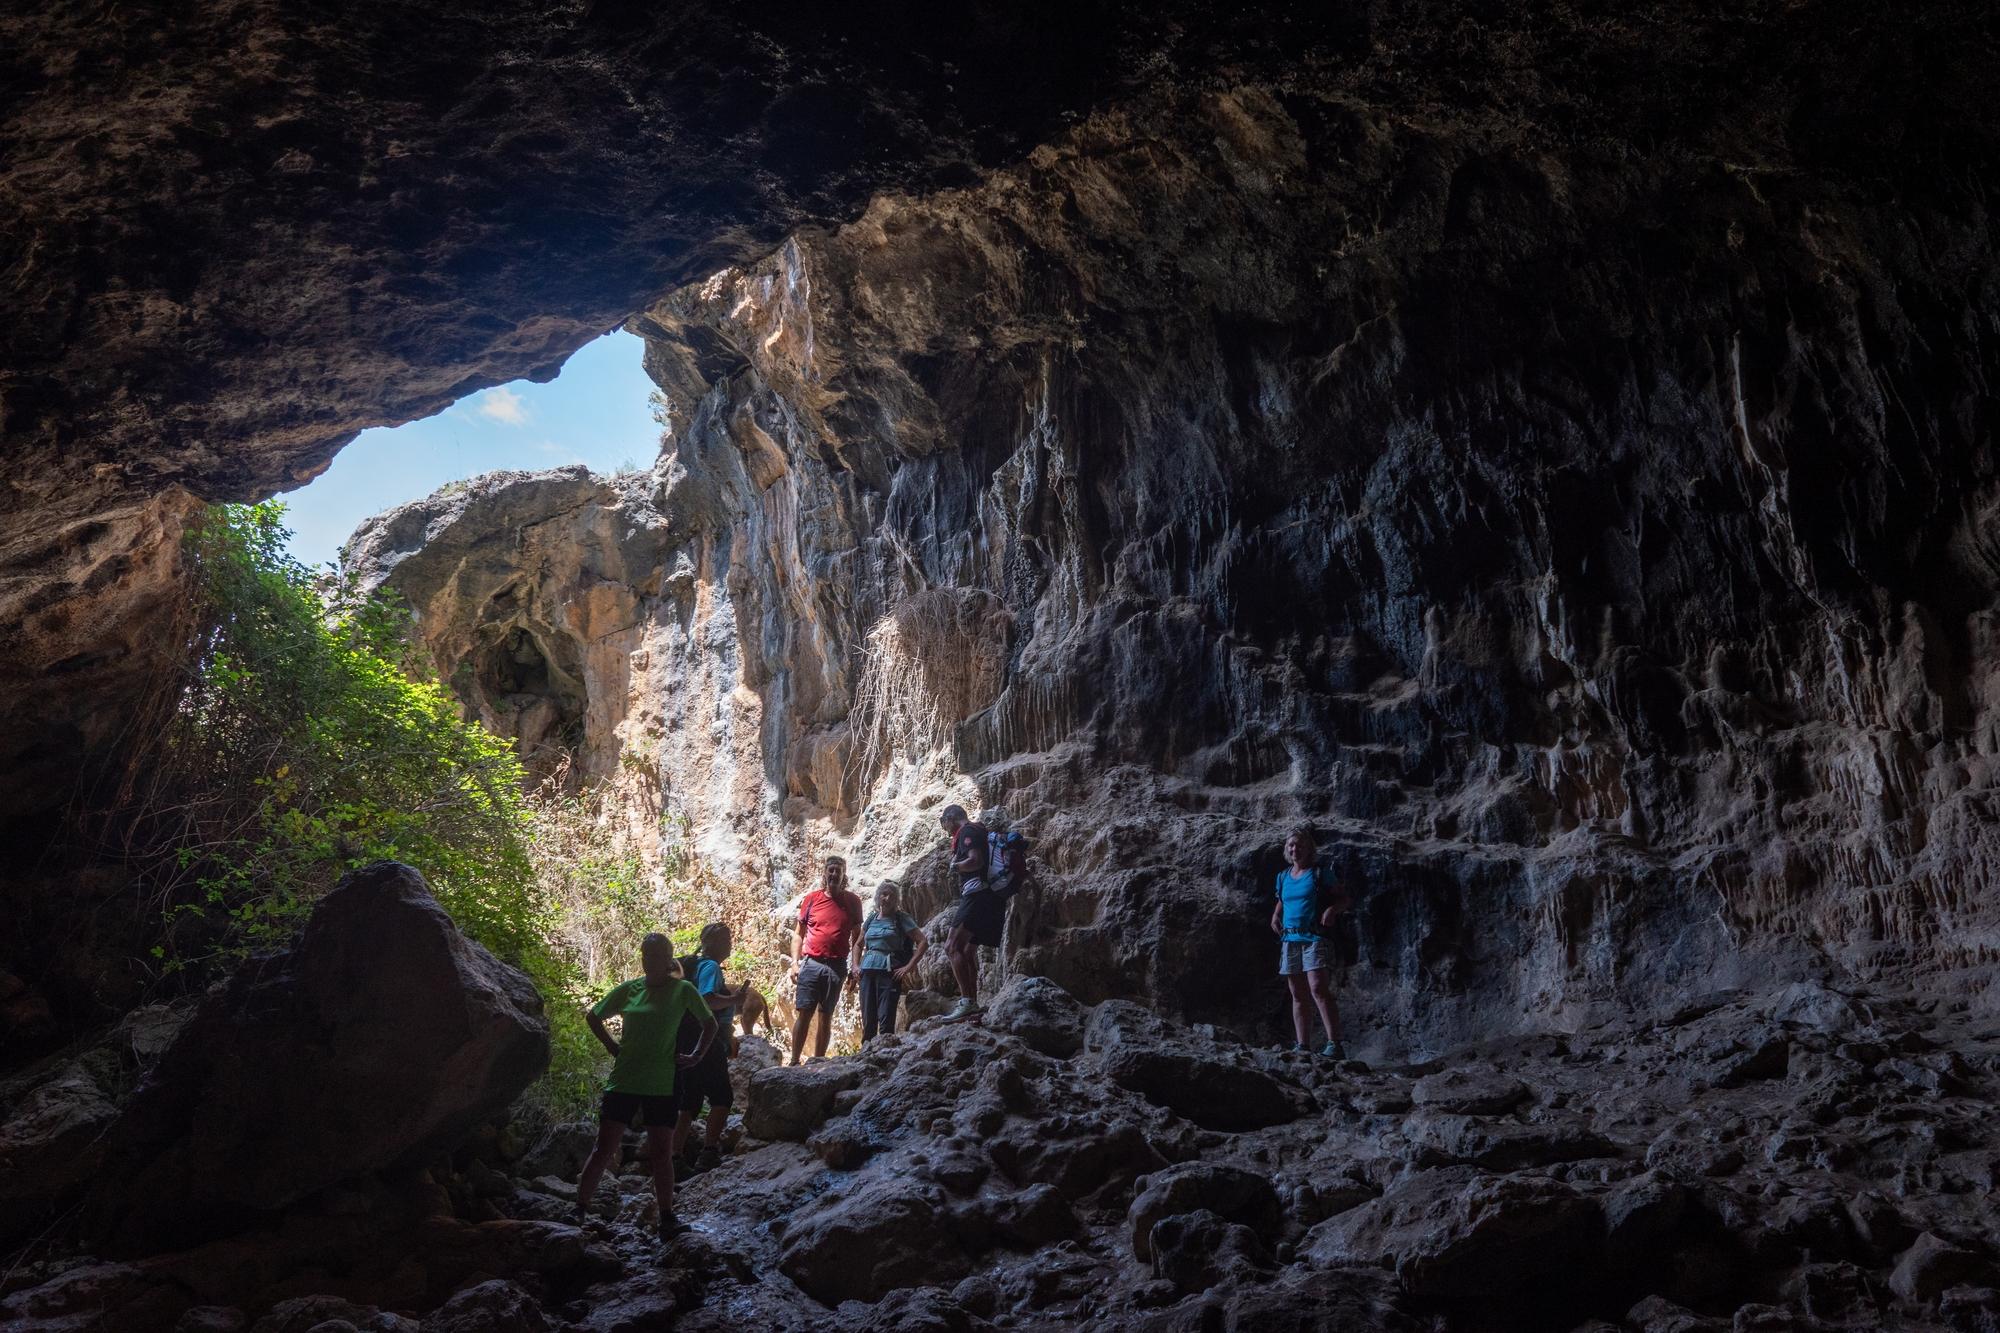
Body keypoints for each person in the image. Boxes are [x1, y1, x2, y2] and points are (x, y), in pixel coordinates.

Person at [576, 932, 717, 1241]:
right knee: (603, 1148)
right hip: (624, 1080)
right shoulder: (630, 990)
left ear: (668, 959)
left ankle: (666, 1216)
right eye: (645, 955)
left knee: (661, 1153)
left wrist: (695, 1056)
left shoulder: (683, 990)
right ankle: (578, 1208)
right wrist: (612, 1047)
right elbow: (593, 1016)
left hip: (662, 1083)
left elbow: (710, 1023)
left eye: (655, 955)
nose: (649, 961)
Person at [1269, 825, 1350, 1058]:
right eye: (1292, 845)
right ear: (1287, 849)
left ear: (1309, 848)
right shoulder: (1283, 876)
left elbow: (1345, 898)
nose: (1295, 848)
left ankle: (1335, 1044)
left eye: (1300, 844)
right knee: (1297, 994)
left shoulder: (1319, 872)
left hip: (1314, 936)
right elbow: (1283, 900)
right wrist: (1275, 916)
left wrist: (1332, 910)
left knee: (1318, 989)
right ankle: (1302, 1045)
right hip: (1289, 938)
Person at [672, 922, 741, 1176]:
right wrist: (734, 999)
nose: (731, 944)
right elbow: (707, 1000)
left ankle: (675, 1158)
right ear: (718, 944)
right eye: (728, 940)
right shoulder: (710, 967)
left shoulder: (693, 966)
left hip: (685, 1040)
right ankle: (708, 1153)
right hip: (706, 1041)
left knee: (689, 1102)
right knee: (723, 1098)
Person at [787, 855, 862, 1065]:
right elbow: (798, 934)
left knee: (826, 1014)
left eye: (838, 871)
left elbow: (857, 936)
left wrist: (855, 966)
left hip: (837, 965)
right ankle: (794, 1060)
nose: (834, 874)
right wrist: (794, 963)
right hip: (811, 963)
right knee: (804, 1012)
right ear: (825, 873)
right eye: (831, 870)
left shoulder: (853, 902)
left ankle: (817, 1061)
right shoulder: (811, 899)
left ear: (843, 874)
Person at [940, 804, 1001, 1023]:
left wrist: (955, 866)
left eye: (945, 824)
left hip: (976, 893)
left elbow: (975, 860)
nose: (946, 830)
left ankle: (967, 1001)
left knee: (951, 946)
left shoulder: (967, 831)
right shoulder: (980, 830)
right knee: (966, 950)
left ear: (951, 818)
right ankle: (973, 1004)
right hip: (989, 897)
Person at [853, 880, 926, 1042]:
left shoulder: (901, 918)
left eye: (891, 896)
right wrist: (855, 965)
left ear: (896, 901)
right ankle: (865, 1059)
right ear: (878, 897)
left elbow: (922, 941)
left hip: (888, 972)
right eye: (883, 894)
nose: (886, 898)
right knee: (868, 1020)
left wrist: (908, 967)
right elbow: (858, 944)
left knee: (886, 1019)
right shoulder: (871, 919)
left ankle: (884, 1057)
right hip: (867, 972)